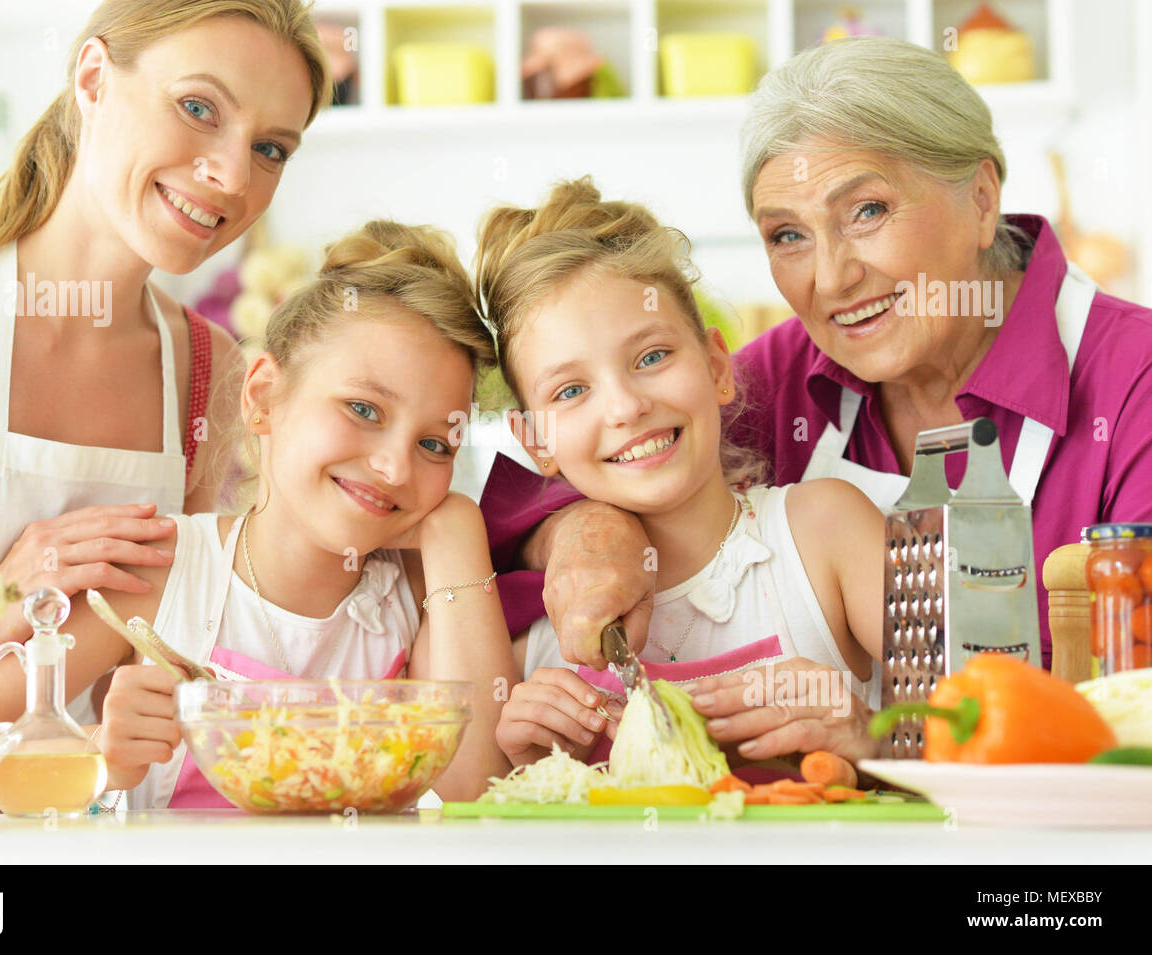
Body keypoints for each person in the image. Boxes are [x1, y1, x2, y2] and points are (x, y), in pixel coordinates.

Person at [486, 36, 1152, 676]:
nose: (831, 280)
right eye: (788, 234)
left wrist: (869, 739)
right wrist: (590, 532)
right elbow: (577, 463)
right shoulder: (780, 379)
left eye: (867, 210)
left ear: (981, 200)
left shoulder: (1133, 382)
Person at [0, 1, 330, 699]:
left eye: (270, 149)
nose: (232, 175)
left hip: (88, 801)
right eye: (199, 107)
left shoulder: (209, 370)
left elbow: (148, 665)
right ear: (94, 79)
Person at [0, 221, 516, 810]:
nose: (395, 467)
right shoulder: (156, 576)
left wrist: (455, 527)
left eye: (435, 445)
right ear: (265, 396)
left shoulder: (422, 594)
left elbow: (474, 785)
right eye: (363, 409)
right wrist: (95, 757)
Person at [476, 179, 884, 770]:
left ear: (719, 366)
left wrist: (869, 735)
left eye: (651, 357)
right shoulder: (536, 632)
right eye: (571, 390)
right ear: (537, 441)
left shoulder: (826, 532)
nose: (624, 407)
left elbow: (972, 740)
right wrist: (528, 764)